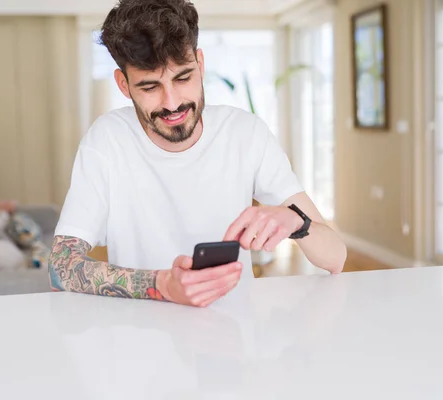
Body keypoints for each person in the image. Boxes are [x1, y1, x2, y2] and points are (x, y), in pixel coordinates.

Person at [48, 0, 347, 308]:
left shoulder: (245, 133)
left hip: (235, 337)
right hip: (137, 340)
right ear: (123, 85)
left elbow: (336, 257)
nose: (172, 102)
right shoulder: (106, 140)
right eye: (150, 87)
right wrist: (163, 285)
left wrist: (297, 222)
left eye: (183, 78)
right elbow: (60, 269)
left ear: (200, 65)